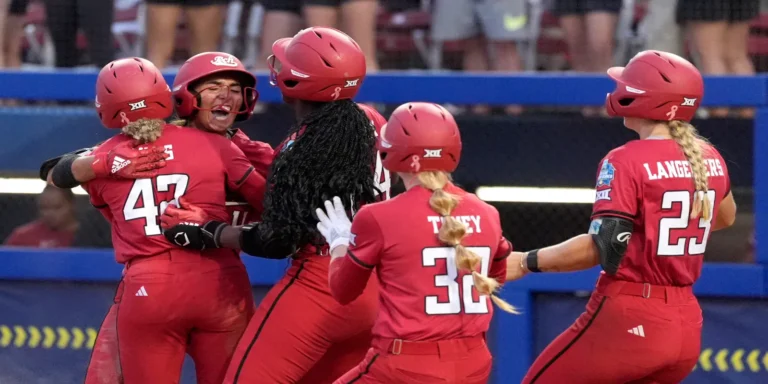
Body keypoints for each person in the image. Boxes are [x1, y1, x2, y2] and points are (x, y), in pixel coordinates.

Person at [162, 27, 392, 384]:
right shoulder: (370, 119)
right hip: (377, 286)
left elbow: (277, 240)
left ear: (297, 82)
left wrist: (213, 232)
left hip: (322, 282)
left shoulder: (299, 148)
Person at [505, 50, 738, 384]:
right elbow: (725, 217)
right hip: (686, 323)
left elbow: (603, 246)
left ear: (644, 98)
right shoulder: (709, 156)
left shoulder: (625, 158)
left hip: (631, 313)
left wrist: (527, 261)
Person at [49, 57, 268, 384]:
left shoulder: (105, 154)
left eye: (234, 90)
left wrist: (100, 164)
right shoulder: (222, 146)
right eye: (213, 88)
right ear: (176, 97)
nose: (226, 97)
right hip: (220, 279)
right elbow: (277, 203)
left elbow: (59, 176)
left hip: (149, 284)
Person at [314, 102, 518, 383]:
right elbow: (497, 277)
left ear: (392, 150)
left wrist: (339, 242)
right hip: (473, 363)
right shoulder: (488, 212)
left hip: (404, 367)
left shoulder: (378, 216)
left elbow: (343, 291)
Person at [3, 185, 79, 248]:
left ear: (72, 205)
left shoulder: (86, 236)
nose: (49, 213)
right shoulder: (22, 237)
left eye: (57, 207)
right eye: (44, 208)